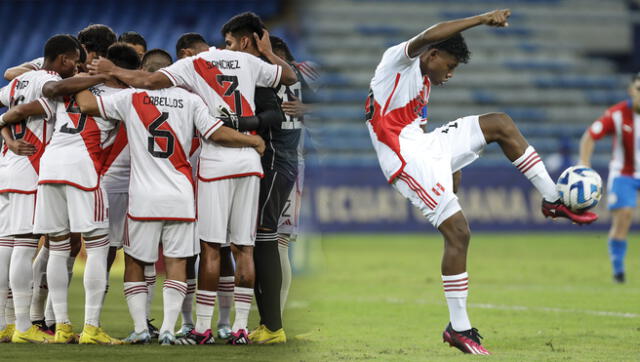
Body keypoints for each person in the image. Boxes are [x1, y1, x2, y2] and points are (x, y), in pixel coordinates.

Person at [365, 9, 598, 355]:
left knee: (499, 124)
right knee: (459, 233)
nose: (451, 73)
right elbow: (432, 34)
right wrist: (480, 20)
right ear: (432, 55)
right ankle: (458, 328)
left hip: (424, 146)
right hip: (403, 157)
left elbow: (423, 132)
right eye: (450, 65)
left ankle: (552, 198)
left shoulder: (424, 83)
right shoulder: (395, 63)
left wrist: (451, 164)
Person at [75, 73, 265, 345]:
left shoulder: (131, 97)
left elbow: (86, 104)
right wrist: (253, 141)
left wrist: (82, 75)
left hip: (143, 199)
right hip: (181, 197)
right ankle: (167, 329)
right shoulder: (190, 100)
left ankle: (141, 328)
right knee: (177, 262)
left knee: (136, 262)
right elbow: (217, 133)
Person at [0, 34, 103, 343]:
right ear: (63, 60)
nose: (77, 67)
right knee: (23, 246)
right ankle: (22, 327)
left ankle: (6, 323)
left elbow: (6, 112)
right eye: (75, 62)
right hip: (31, 167)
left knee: (6, 247)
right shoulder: (47, 80)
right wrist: (98, 76)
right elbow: (47, 95)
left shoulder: (18, 83)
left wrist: (7, 138)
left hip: (8, 166)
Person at [579, 73, 640, 283]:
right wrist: (584, 165)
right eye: (639, 89)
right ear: (631, 91)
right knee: (624, 216)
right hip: (624, 173)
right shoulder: (617, 114)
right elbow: (590, 136)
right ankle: (618, 271)